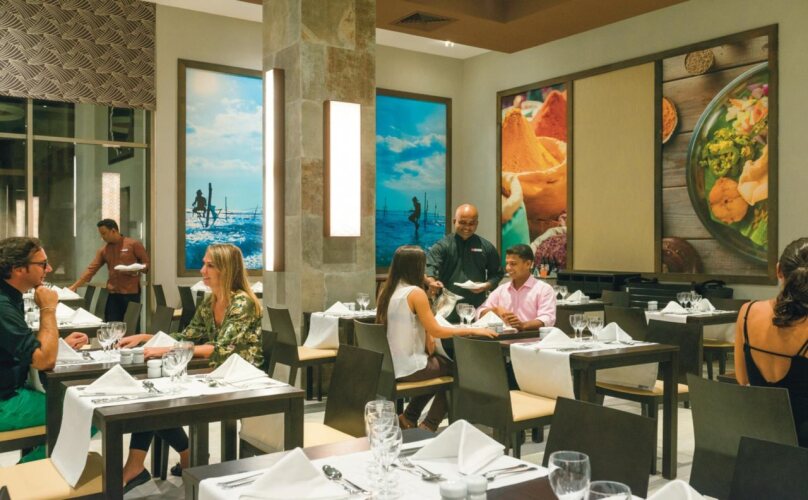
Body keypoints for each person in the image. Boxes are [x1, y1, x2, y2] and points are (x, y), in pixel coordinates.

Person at [117, 243, 262, 490]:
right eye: (204, 264)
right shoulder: (210, 302)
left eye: (210, 265)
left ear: (227, 269)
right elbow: (188, 337)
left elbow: (222, 348)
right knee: (153, 397)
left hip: (241, 378)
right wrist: (145, 337)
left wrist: (166, 349)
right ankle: (156, 461)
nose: (202, 270)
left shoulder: (242, 303)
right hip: (214, 373)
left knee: (157, 398)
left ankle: (182, 457)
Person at [376, 245, 497, 432]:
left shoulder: (388, 290)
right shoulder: (415, 292)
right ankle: (429, 425)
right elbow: (437, 330)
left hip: (392, 366)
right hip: (410, 367)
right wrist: (472, 330)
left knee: (441, 368)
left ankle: (409, 417)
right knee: (461, 371)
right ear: (417, 267)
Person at [0, 237, 88, 463]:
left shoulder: (10, 295)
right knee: (88, 414)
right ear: (18, 268)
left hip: (12, 389)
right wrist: (48, 308)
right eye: (42, 264)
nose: (48, 269)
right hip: (5, 402)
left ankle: (33, 472)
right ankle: (21, 479)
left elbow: (18, 344)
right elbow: (44, 361)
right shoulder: (3, 305)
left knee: (75, 404)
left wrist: (58, 343)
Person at [734, 237, 808, 447]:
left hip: (760, 437)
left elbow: (742, 378)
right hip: (802, 444)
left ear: (778, 271)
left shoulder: (747, 312)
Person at [425, 204, 503, 320]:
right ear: (454, 221)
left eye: (471, 223)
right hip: (447, 309)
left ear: (477, 224)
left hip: (477, 309)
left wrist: (486, 285)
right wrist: (431, 282)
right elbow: (430, 269)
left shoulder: (486, 247)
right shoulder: (442, 246)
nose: (467, 227)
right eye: (462, 222)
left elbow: (497, 274)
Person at [68, 219, 149, 322]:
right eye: (101, 234)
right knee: (111, 324)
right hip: (113, 294)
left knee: (131, 325)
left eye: (104, 233)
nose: (102, 237)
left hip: (131, 293)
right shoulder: (104, 250)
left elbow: (146, 264)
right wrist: (74, 286)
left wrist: (137, 269)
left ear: (113, 231)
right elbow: (91, 269)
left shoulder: (133, 244)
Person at [478, 244, 556, 330]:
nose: (508, 268)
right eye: (507, 263)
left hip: (532, 337)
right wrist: (495, 310)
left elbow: (547, 319)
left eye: (513, 264)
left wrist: (523, 325)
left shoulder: (544, 289)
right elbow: (479, 312)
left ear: (528, 264)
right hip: (503, 337)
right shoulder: (502, 289)